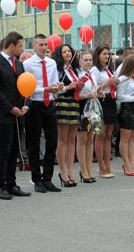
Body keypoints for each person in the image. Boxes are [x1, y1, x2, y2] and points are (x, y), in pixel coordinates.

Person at [0, 31, 31, 200]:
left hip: (17, 114)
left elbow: (24, 87)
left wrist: (24, 106)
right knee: (4, 150)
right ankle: (0, 186)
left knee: (14, 151)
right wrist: (10, 108)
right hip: (4, 115)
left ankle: (11, 184)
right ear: (12, 45)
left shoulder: (19, 65)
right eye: (20, 46)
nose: (22, 49)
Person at [23, 34, 63, 193]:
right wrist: (44, 89)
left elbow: (53, 82)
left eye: (46, 44)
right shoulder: (27, 64)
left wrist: (57, 86)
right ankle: (36, 178)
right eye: (41, 45)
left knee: (52, 141)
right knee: (33, 142)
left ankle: (48, 178)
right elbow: (27, 88)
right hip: (35, 104)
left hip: (50, 103)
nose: (44, 48)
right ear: (33, 46)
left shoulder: (51, 62)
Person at [52, 44, 81, 187]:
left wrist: (79, 86)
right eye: (64, 52)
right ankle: (62, 170)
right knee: (62, 139)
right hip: (62, 103)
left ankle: (70, 170)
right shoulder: (57, 69)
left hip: (74, 103)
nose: (68, 53)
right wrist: (68, 87)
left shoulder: (74, 69)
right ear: (59, 54)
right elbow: (55, 90)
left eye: (69, 51)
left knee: (72, 139)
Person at [90, 44, 119, 178]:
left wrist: (115, 82)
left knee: (108, 135)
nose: (107, 56)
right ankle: (101, 165)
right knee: (100, 134)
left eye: (108, 54)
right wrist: (107, 83)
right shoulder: (95, 70)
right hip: (101, 101)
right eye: (104, 54)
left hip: (111, 100)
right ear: (98, 55)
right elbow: (94, 88)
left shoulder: (109, 69)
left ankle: (108, 164)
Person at [116, 54, 134, 176]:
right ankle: (126, 164)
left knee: (133, 137)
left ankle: (132, 164)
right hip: (127, 108)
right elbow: (120, 96)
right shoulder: (123, 78)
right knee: (125, 137)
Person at [76, 51, 100, 183]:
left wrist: (98, 93)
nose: (88, 62)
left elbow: (94, 90)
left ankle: (89, 168)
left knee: (91, 137)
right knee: (82, 138)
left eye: (90, 60)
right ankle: (83, 169)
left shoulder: (92, 75)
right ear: (80, 62)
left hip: (93, 107)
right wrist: (88, 96)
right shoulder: (78, 75)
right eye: (85, 60)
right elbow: (76, 95)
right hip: (82, 106)